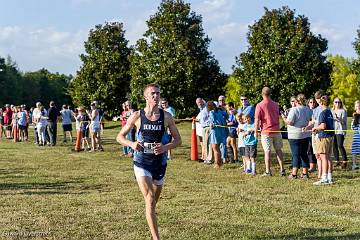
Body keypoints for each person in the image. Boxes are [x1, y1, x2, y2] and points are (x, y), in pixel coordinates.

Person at [116, 83, 181, 240]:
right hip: (141, 162)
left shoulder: (166, 117)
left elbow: (178, 140)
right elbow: (119, 137)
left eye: (158, 93)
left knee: (153, 202)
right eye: (152, 93)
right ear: (145, 96)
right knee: (150, 199)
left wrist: (165, 147)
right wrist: (132, 144)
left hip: (160, 162)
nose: (156, 96)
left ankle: (152, 231)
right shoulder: (137, 116)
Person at [254, 87, 285, 176]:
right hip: (276, 130)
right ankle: (282, 170)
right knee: (279, 150)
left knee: (267, 152)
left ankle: (268, 171)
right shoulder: (276, 104)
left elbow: (257, 120)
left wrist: (255, 131)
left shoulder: (259, 105)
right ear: (270, 94)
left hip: (266, 131)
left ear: (262, 94)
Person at [282, 94, 312, 179]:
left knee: (295, 154)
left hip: (294, 135)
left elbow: (290, 122)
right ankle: (305, 173)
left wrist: (284, 118)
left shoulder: (294, 110)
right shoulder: (308, 109)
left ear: (297, 101)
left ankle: (294, 174)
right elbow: (310, 120)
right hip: (305, 134)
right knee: (304, 154)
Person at [312, 95, 335, 185]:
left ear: (321, 102)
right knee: (328, 157)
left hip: (323, 137)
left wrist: (315, 128)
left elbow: (323, 126)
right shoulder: (329, 112)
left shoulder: (322, 113)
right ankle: (329, 177)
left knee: (323, 157)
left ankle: (324, 178)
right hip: (330, 137)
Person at [208, 101, 226, 169]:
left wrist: (210, 124)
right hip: (221, 131)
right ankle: (220, 162)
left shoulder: (211, 112)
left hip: (215, 131)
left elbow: (212, 121)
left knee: (215, 149)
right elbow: (226, 115)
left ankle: (217, 164)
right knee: (218, 147)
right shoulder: (220, 111)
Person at [332, 97, 348, 169]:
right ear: (333, 103)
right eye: (336, 102)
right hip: (333, 130)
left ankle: (344, 161)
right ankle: (336, 161)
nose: (337, 103)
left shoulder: (343, 111)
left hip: (340, 130)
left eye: (339, 102)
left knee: (340, 145)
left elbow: (344, 122)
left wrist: (337, 118)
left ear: (341, 103)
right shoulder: (331, 110)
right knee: (334, 146)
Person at [307, 98, 318, 172]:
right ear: (308, 103)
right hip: (308, 132)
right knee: (309, 149)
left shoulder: (317, 110)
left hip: (316, 132)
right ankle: (311, 166)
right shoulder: (306, 111)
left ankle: (314, 166)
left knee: (314, 149)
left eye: (314, 102)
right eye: (311, 102)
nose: (312, 103)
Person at [351, 100, 360, 170]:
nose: (358, 107)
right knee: (355, 150)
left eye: (359, 106)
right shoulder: (354, 116)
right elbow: (353, 127)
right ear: (355, 107)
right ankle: (354, 164)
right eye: (357, 106)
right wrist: (354, 120)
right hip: (356, 136)